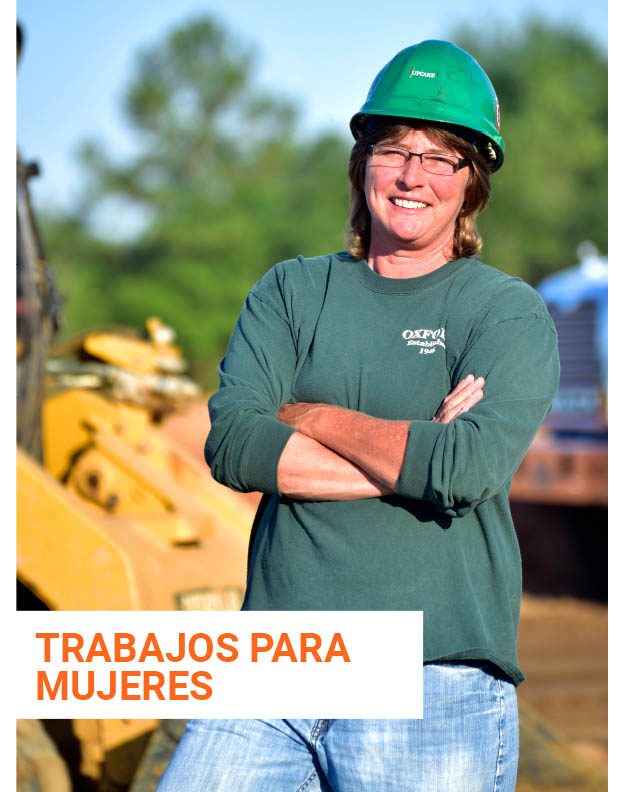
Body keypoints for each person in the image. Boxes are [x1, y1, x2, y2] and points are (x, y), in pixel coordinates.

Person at [157, 39, 559, 791]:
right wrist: (416, 458)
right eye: (393, 149)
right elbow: (237, 444)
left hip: (430, 678)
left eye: (443, 157)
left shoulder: (504, 313)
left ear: (473, 185)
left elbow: (465, 467)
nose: (413, 175)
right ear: (360, 162)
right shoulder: (291, 292)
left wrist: (306, 412)